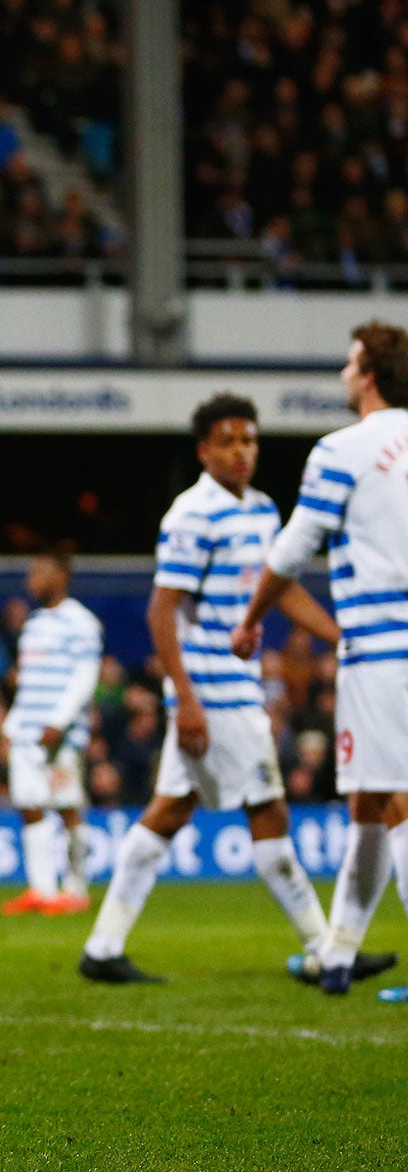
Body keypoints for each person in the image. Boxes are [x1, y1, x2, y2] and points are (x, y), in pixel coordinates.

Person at [81, 393, 378, 983]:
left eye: (250, 440)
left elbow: (279, 589)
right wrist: (185, 700)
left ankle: (103, 949)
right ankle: (326, 949)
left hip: (229, 688)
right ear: (204, 450)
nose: (242, 452)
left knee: (168, 813)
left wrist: (337, 636)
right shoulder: (191, 514)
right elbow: (161, 611)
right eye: (228, 442)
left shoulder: (264, 509)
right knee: (268, 809)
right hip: (215, 694)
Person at [232, 324, 408, 994]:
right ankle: (337, 954)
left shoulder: (343, 449)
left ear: (367, 375)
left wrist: (251, 620)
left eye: (348, 360)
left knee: (396, 798)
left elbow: (292, 549)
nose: (342, 371)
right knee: (368, 799)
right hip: (384, 646)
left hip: (385, 651)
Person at [0, 552, 103, 916]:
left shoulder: (81, 622)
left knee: (67, 806)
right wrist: (11, 726)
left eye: (39, 571)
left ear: (61, 577)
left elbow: (85, 675)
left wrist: (59, 721)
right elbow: (26, 685)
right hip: (28, 733)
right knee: (30, 806)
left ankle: (75, 889)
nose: (31, 578)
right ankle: (42, 889)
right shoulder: (34, 624)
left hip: (60, 735)